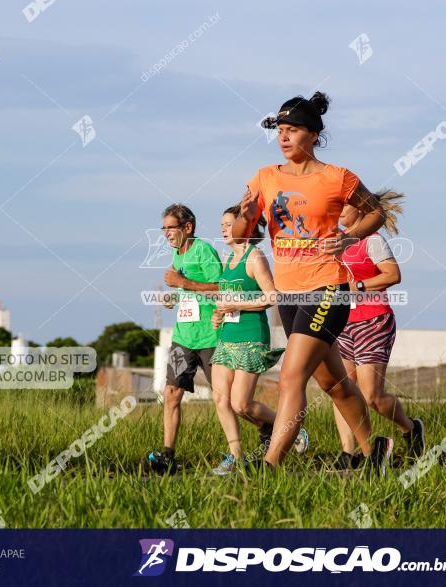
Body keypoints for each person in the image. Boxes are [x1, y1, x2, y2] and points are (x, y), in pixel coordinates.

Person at [232, 91, 394, 473]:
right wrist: (245, 214)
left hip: (327, 288)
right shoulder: (264, 177)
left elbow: (377, 214)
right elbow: (243, 234)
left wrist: (351, 238)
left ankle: (270, 464)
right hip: (289, 293)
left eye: (293, 130)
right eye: (280, 131)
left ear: (314, 135)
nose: (284, 137)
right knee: (334, 384)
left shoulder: (336, 176)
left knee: (291, 376)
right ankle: (376, 451)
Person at [209, 206, 309, 476]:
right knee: (220, 399)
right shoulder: (229, 259)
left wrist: (236, 304)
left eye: (229, 224)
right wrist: (219, 314)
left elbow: (272, 297)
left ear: (247, 228)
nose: (224, 229)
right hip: (226, 336)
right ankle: (235, 456)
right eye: (223, 224)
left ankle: (288, 428)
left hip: (251, 336)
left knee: (240, 403)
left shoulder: (255, 258)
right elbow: (227, 300)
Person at [331, 194, 425, 470]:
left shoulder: (372, 240)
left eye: (344, 207)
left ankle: (410, 427)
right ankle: (350, 452)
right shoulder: (337, 242)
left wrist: (357, 287)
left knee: (371, 396)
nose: (338, 213)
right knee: (341, 389)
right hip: (342, 322)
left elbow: (393, 275)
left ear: (360, 211)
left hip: (373, 320)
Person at [146, 204, 222, 474]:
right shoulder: (177, 255)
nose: (166, 233)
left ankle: (271, 430)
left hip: (211, 336)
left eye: (171, 227)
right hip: (183, 337)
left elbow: (221, 289)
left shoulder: (203, 251)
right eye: (163, 228)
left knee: (227, 399)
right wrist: (173, 298)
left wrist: (183, 284)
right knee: (171, 393)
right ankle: (168, 456)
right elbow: (184, 290)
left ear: (187, 227)